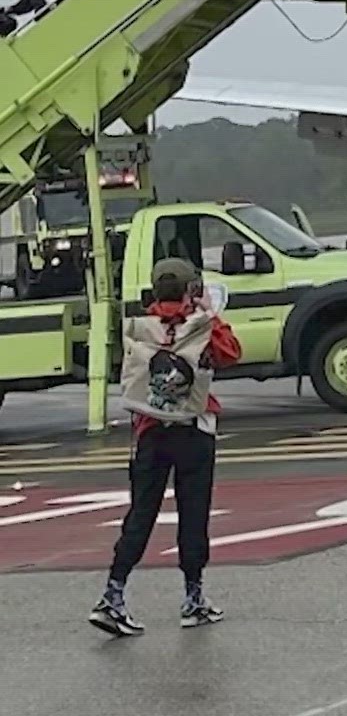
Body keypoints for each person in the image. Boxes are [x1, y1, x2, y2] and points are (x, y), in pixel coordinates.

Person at [88, 258, 240, 637]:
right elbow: (230, 353)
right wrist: (210, 313)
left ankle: (113, 595)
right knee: (193, 515)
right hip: (193, 431)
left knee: (140, 515)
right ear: (191, 290)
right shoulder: (201, 325)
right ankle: (193, 599)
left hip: (149, 431)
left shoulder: (139, 328)